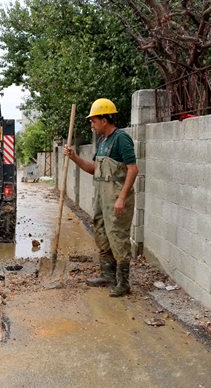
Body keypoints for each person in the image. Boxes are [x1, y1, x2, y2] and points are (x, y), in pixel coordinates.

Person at [63, 98, 139, 297]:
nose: (91, 124)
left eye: (94, 120)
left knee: (117, 237)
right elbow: (94, 168)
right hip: (101, 196)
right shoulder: (103, 142)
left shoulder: (121, 139)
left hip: (116, 197)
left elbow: (133, 169)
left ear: (105, 120)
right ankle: (108, 276)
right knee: (102, 233)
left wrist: (122, 197)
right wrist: (74, 157)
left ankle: (123, 283)